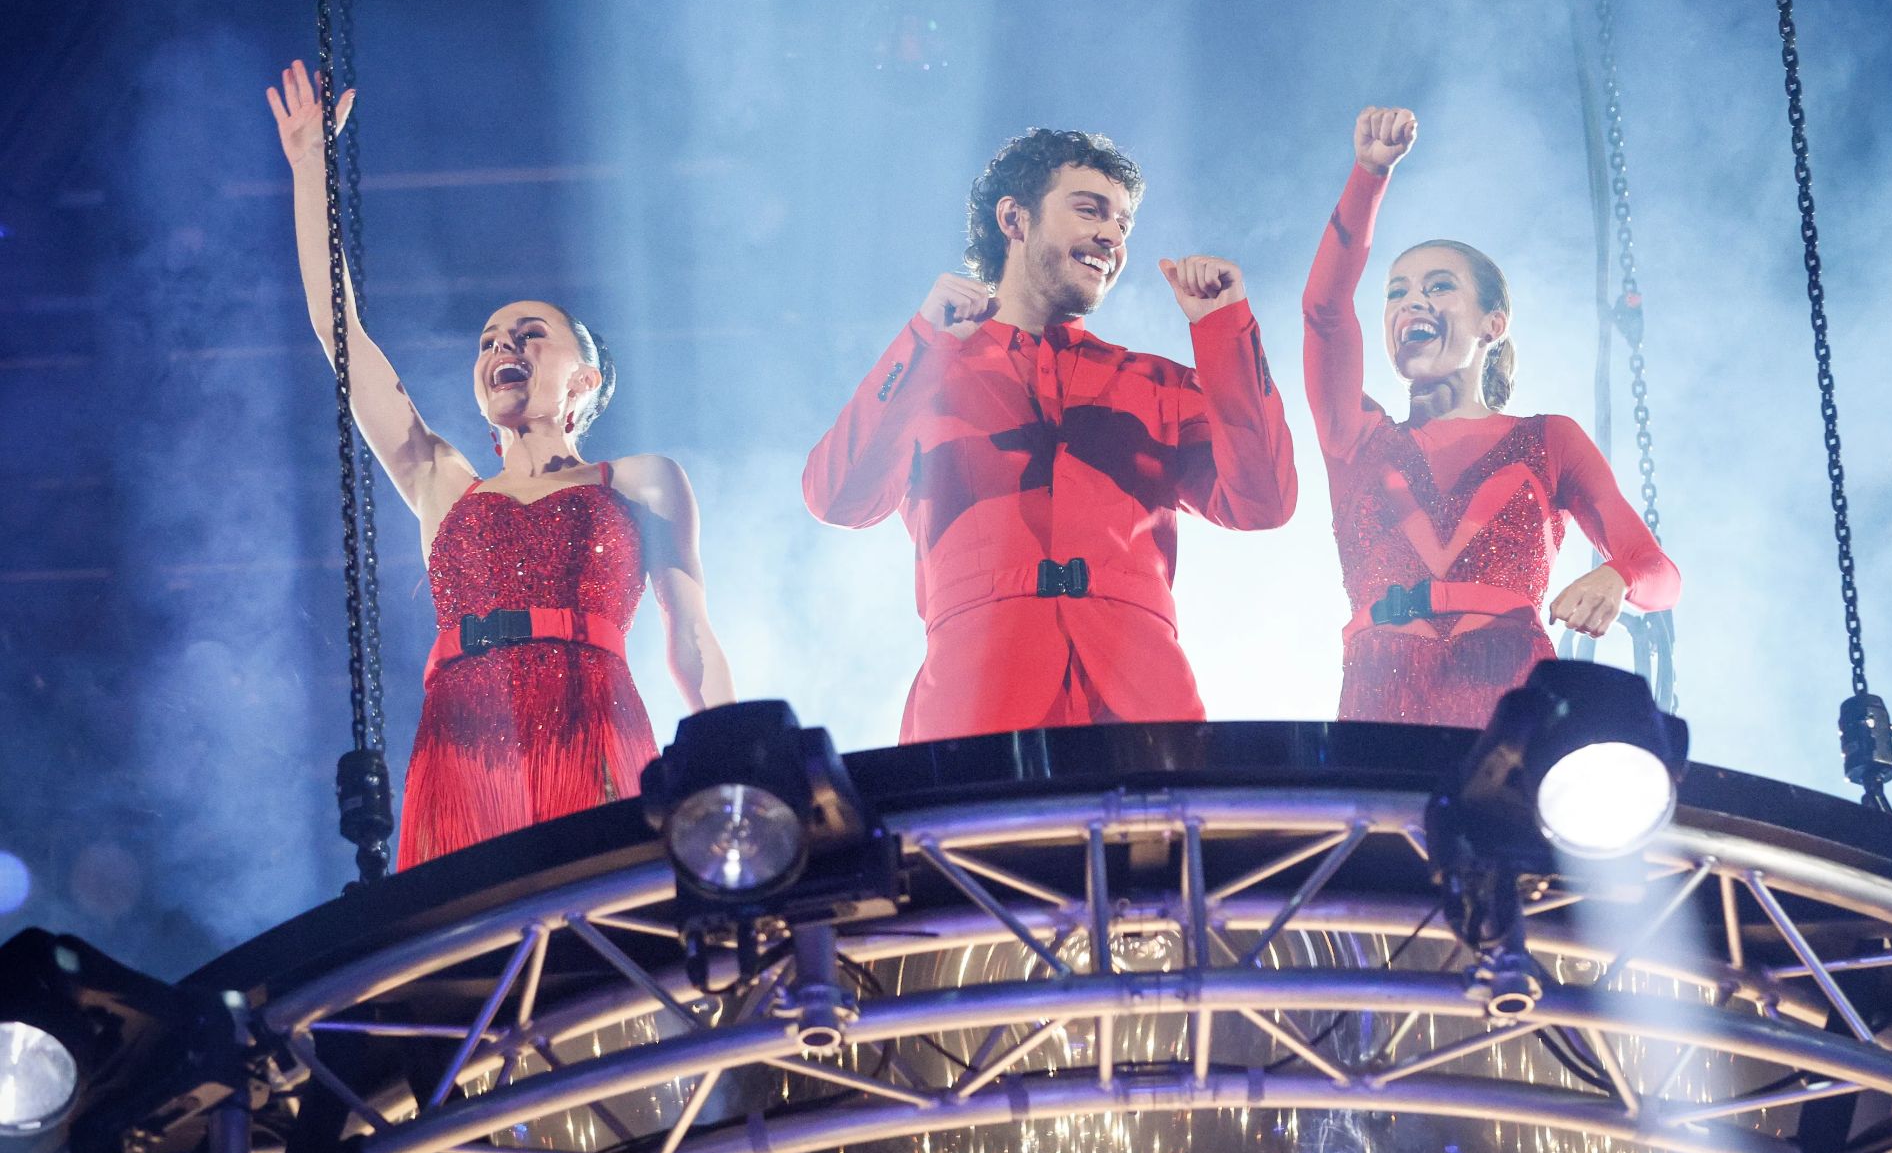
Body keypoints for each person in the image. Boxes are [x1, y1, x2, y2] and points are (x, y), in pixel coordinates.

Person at [266, 60, 733, 865]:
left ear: (583, 381)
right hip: (461, 742)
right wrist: (312, 168)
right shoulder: (440, 479)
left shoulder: (645, 481)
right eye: (487, 341)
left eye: (529, 334)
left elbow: (690, 634)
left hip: (595, 726)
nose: (502, 347)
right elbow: (335, 332)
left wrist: (736, 771)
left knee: (601, 943)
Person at [804, 128, 1297, 742]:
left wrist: (1225, 331)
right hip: (976, 704)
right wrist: (922, 342)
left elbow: (1265, 503)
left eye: (1123, 223)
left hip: (1145, 706)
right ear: (1014, 218)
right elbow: (838, 498)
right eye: (1090, 210)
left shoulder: (1155, 381)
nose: (1112, 236)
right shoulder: (928, 369)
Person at [1302, 106, 1679, 728]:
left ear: (1491, 326)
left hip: (1511, 697)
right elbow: (1323, 310)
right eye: (1396, 292)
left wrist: (1615, 578)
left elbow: (1659, 572)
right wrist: (1368, 175)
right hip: (1378, 698)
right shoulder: (1355, 437)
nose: (1411, 301)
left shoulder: (1548, 439)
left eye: (1439, 286)